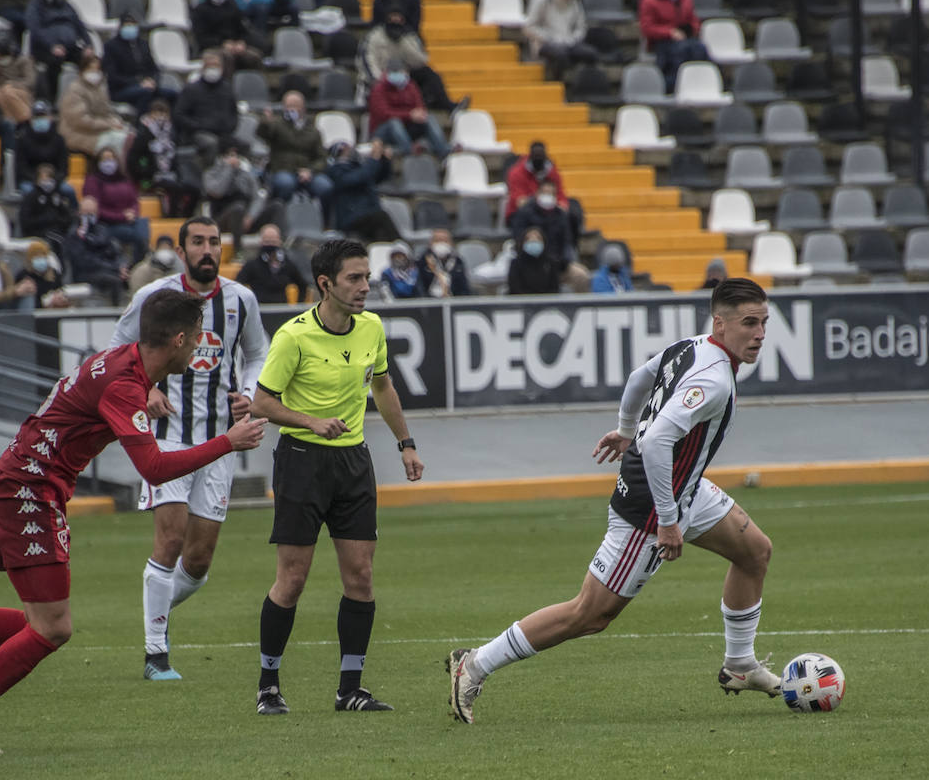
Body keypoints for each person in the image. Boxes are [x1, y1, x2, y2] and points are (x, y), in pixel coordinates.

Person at [0, 289, 269, 754]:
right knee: (52, 628)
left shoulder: (125, 363)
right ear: (178, 339)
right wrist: (229, 441)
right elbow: (155, 468)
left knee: (40, 622)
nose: (201, 345)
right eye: (197, 336)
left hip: (30, 486)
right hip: (27, 491)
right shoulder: (124, 383)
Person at [446, 278, 779, 723]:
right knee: (590, 613)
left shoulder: (692, 345)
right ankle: (474, 664)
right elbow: (660, 439)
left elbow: (640, 377)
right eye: (749, 323)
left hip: (684, 487)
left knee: (754, 552)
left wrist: (625, 428)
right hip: (652, 503)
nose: (759, 334)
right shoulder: (715, 378)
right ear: (720, 323)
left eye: (764, 323)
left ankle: (739, 665)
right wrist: (666, 520)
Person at [249, 237, 423, 714]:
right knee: (293, 579)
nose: (365, 286)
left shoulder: (372, 328)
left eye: (366, 277)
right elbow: (262, 403)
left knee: (361, 578)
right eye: (354, 278)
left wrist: (405, 444)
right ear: (325, 284)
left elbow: (383, 386)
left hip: (353, 464)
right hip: (302, 461)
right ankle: (268, 686)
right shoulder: (294, 336)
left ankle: (350, 690)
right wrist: (311, 422)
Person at [109, 217, 270, 679]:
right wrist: (144, 390)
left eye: (214, 242)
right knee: (171, 540)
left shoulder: (241, 300)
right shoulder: (153, 299)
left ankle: (153, 605)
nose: (207, 249)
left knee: (197, 562)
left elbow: (259, 353)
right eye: (197, 242)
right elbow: (116, 351)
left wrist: (251, 391)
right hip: (167, 438)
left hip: (221, 441)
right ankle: (155, 653)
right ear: (181, 251)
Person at [361, 8, 459, 112]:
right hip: (379, 79)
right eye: (392, 18)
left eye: (398, 18)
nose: (395, 21)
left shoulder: (410, 36)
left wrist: (404, 44)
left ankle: (449, 107)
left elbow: (421, 61)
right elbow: (368, 62)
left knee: (429, 74)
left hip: (404, 77)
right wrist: (380, 80)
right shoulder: (374, 37)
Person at [126, 98, 200, 219]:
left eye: (163, 113)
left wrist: (177, 174)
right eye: (157, 113)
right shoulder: (143, 134)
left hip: (171, 175)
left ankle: (187, 217)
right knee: (175, 188)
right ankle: (172, 219)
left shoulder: (172, 133)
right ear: (150, 114)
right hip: (151, 178)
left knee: (194, 189)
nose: (160, 116)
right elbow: (133, 160)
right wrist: (147, 173)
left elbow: (174, 158)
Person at [258, 91, 333, 208]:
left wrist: (310, 171)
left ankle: (325, 222)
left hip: (307, 172)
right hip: (283, 170)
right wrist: (265, 122)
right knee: (285, 184)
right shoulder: (277, 125)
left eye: (295, 105)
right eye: (288, 106)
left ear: (303, 107)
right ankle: (279, 216)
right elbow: (263, 134)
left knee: (325, 186)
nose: (291, 109)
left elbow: (322, 158)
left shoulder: (313, 131)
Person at [368, 59, 451, 158]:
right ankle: (409, 151)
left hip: (407, 128)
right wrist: (409, 115)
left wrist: (420, 114)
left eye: (401, 72)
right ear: (387, 73)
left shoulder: (410, 86)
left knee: (428, 118)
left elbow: (419, 105)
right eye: (395, 72)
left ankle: (443, 151)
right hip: (383, 130)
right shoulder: (378, 89)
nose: (399, 75)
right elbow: (384, 114)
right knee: (394, 122)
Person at [26, 0, 93, 100]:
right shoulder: (35, 6)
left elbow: (80, 26)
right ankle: (51, 100)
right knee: (55, 61)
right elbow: (35, 30)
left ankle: (88, 97)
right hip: (44, 49)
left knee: (89, 60)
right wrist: (52, 46)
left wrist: (88, 45)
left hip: (69, 47)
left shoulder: (66, 5)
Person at [172, 50, 238, 170]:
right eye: (210, 66)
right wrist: (197, 125)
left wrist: (229, 127)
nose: (213, 69)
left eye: (216, 66)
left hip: (223, 132)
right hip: (198, 133)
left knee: (243, 145)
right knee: (211, 143)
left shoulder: (227, 88)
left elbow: (234, 113)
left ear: (222, 68)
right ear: (203, 68)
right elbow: (179, 115)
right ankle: (210, 177)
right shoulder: (191, 89)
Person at [638, 0, 707, 93]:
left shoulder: (686, 0)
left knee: (699, 48)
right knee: (680, 52)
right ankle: (672, 86)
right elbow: (647, 28)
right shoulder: (650, 0)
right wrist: (669, 32)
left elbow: (694, 21)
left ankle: (700, 83)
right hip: (661, 42)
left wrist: (691, 29)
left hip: (685, 40)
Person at [82, 146, 149, 263]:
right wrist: (121, 216)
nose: (109, 163)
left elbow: (134, 201)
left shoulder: (124, 179)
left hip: (128, 220)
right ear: (98, 162)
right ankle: (135, 265)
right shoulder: (93, 181)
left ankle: (142, 261)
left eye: (111, 159)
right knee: (135, 234)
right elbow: (95, 209)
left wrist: (133, 213)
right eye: (105, 159)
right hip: (107, 224)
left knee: (143, 223)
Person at [57, 55, 131, 158]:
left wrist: (116, 121)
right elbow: (81, 121)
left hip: (98, 130)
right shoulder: (75, 90)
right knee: (117, 142)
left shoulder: (100, 88)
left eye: (97, 70)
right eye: (91, 69)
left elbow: (107, 111)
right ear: (82, 70)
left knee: (128, 136)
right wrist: (108, 124)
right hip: (79, 133)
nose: (94, 73)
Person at [326, 140, 399, 243]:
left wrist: (385, 160)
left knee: (380, 232)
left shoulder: (361, 167)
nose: (350, 150)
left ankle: (387, 254)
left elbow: (381, 176)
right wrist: (374, 158)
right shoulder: (336, 170)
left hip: (368, 214)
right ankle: (401, 247)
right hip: (350, 217)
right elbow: (358, 178)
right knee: (381, 217)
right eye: (345, 149)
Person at [62, 195, 130, 303]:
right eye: (86, 213)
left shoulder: (102, 229)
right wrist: (114, 268)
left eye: (92, 213)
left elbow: (115, 251)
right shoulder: (74, 234)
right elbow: (84, 261)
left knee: (128, 276)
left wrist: (121, 266)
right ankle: (116, 314)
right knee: (114, 280)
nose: (89, 217)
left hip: (107, 269)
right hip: (86, 273)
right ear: (79, 213)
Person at [524, 0, 596, 81]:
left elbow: (581, 27)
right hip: (544, 43)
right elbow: (529, 27)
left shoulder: (575, 1)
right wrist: (549, 38)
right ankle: (558, 87)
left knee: (590, 54)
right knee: (560, 55)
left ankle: (582, 89)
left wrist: (573, 39)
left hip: (569, 42)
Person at [103, 14, 171, 114]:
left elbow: (154, 69)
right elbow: (113, 76)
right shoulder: (111, 46)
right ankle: (142, 126)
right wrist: (139, 82)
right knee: (145, 94)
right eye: (127, 25)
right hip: (121, 89)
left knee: (172, 95)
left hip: (147, 86)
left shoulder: (143, 44)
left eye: (132, 25)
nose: (130, 28)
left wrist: (153, 81)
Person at [192, 0, 266, 69]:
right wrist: (222, 43)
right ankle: (227, 82)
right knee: (227, 57)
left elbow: (243, 31)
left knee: (254, 56)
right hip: (212, 47)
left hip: (234, 45)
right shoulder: (200, 10)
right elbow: (201, 37)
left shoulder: (233, 8)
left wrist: (241, 42)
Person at [202, 145, 268, 244]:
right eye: (229, 156)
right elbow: (218, 191)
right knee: (238, 208)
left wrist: (250, 216)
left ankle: (277, 249)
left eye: (236, 156)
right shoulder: (210, 174)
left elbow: (258, 198)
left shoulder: (246, 175)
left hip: (246, 220)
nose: (234, 159)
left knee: (277, 206)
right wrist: (228, 169)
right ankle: (238, 251)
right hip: (221, 220)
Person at [236, 224, 309, 304]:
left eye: (273, 241)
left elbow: (303, 285)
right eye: (267, 241)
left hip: (282, 310)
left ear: (279, 242)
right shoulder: (252, 265)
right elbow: (238, 285)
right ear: (261, 242)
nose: (270, 245)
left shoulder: (287, 264)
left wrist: (298, 305)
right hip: (259, 310)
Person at [0, 37, 37, 132]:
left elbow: (30, 81)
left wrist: (12, 84)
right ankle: (10, 121)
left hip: (21, 91)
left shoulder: (24, 60)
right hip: (1, 89)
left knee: (8, 90)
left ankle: (26, 119)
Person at [14, 100, 71, 193]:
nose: (40, 119)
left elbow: (64, 168)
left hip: (54, 181)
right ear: (31, 120)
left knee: (69, 191)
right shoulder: (22, 140)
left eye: (43, 116)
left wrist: (53, 180)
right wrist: (38, 180)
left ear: (50, 118)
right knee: (29, 192)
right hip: (30, 181)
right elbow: (21, 168)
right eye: (37, 117)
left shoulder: (59, 139)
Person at [505, 141, 568, 222]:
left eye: (540, 155)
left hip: (549, 212)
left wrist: (560, 206)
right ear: (530, 156)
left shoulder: (551, 171)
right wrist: (540, 201)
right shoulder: (516, 173)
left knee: (568, 216)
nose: (538, 158)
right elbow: (520, 202)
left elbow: (560, 197)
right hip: (521, 213)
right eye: (536, 155)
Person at [18, 163, 77, 245]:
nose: (47, 182)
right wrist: (45, 219)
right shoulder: (31, 197)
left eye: (49, 179)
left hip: (56, 231)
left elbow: (67, 217)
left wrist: (57, 219)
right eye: (43, 179)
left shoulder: (56, 196)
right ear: (37, 180)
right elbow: (25, 221)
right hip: (37, 233)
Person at [417, 228, 471, 298]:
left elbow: (464, 289)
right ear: (430, 243)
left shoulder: (458, 262)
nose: (441, 244)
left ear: (451, 243)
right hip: (429, 303)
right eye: (437, 240)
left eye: (445, 240)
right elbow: (420, 288)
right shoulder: (422, 262)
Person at [16, 240, 67, 307]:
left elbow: (61, 291)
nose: (40, 259)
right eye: (37, 257)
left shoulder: (54, 274)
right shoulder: (23, 275)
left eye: (43, 256)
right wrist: (44, 303)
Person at [508, 226, 558, 294]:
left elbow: (555, 288)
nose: (533, 241)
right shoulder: (516, 263)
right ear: (523, 243)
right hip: (521, 302)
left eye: (538, 238)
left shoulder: (550, 263)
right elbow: (514, 288)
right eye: (528, 239)